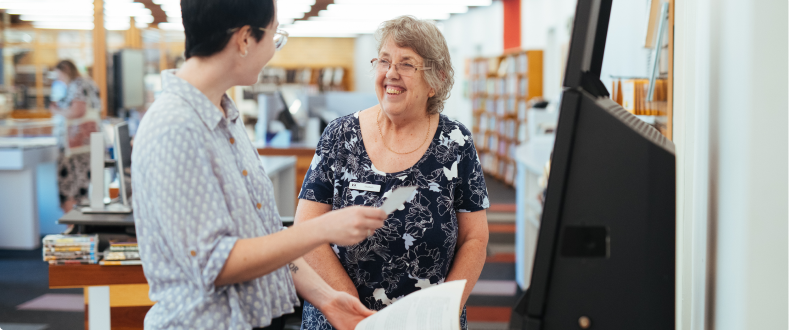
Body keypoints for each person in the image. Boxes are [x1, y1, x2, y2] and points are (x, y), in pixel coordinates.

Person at [131, 1, 387, 329]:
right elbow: (216, 264)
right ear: (245, 39)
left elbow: (263, 236)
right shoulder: (175, 127)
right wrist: (321, 229)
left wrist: (326, 298)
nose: (273, 51)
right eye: (274, 36)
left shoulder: (225, 115)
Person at [296, 16, 490, 330]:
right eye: (384, 61)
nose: (391, 74)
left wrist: (447, 309)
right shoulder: (339, 135)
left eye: (407, 64)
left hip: (428, 323)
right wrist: (354, 312)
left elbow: (475, 238)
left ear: (436, 80)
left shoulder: (456, 142)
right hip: (342, 319)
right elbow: (307, 230)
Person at [49, 59, 102, 214]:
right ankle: (81, 230)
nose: (59, 79)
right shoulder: (89, 83)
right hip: (89, 144)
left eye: (59, 75)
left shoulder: (77, 85)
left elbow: (78, 111)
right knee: (84, 189)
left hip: (75, 148)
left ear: (65, 70)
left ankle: (73, 231)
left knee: (71, 189)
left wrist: (57, 111)